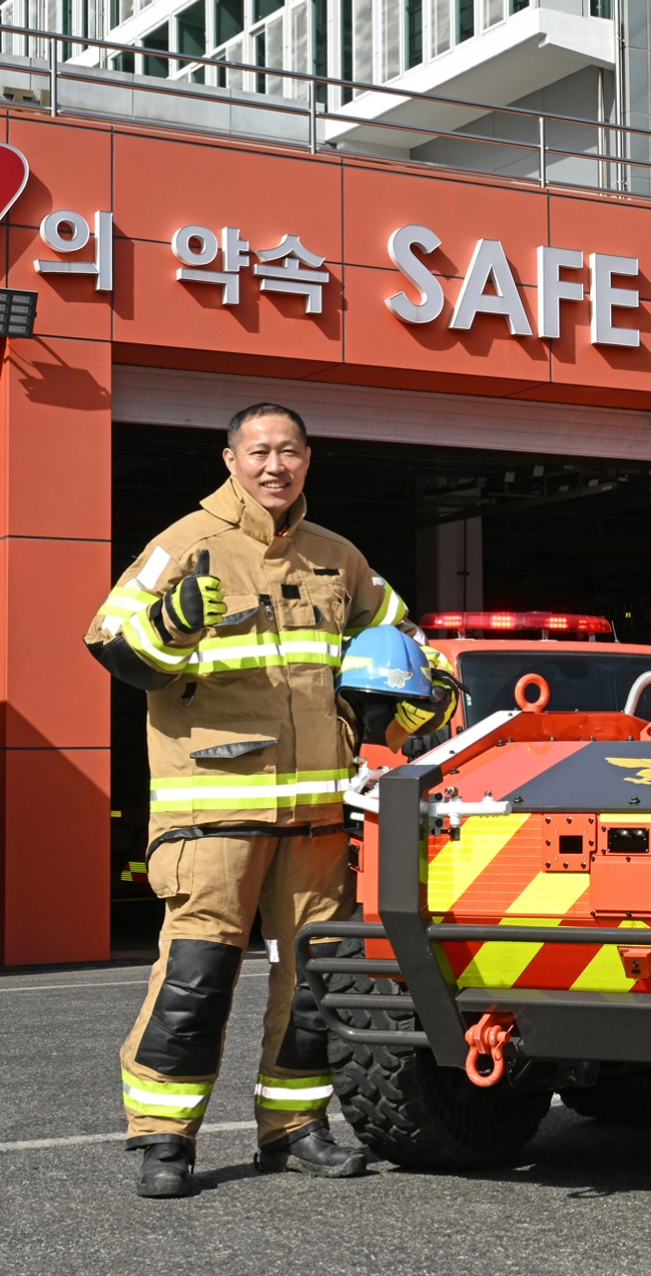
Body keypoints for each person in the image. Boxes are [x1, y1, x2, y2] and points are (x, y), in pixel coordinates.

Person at [86, 403, 457, 1198]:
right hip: (212, 814)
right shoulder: (184, 545)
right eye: (258, 452)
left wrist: (431, 691)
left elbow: (405, 644)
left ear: (307, 459)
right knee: (196, 979)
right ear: (230, 460)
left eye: (288, 451)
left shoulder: (339, 559)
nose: (274, 466)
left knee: (311, 983)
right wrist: (171, 623)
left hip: (316, 819)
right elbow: (111, 642)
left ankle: (293, 1130)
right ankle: (164, 1139)